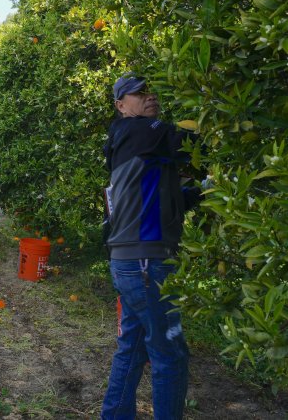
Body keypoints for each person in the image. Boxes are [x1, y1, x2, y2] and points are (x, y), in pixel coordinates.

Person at [101, 73, 201, 419]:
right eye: (137, 93)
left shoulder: (139, 144)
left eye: (149, 90)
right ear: (120, 106)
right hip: (145, 262)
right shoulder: (141, 130)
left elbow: (163, 200)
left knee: (132, 349)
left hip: (132, 261)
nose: (148, 96)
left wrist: (202, 192)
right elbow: (196, 141)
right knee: (169, 355)